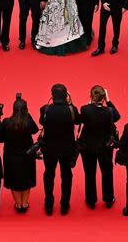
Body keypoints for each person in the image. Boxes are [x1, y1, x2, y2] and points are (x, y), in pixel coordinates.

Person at [39, 83, 80, 215]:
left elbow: (41, 122)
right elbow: (78, 121)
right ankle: (64, 204)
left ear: (52, 96)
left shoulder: (45, 109)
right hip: (67, 149)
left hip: (49, 149)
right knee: (66, 175)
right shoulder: (71, 110)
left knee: (49, 174)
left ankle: (49, 204)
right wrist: (71, 103)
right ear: (66, 96)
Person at [79, 85, 120, 210]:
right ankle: (108, 199)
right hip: (105, 148)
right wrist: (108, 101)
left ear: (91, 96)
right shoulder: (109, 111)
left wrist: (89, 103)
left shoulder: (85, 109)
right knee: (107, 173)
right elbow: (117, 117)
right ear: (103, 97)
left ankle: (91, 200)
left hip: (88, 148)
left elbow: (81, 119)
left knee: (90, 174)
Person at [0, 96, 39, 212]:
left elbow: (1, 138)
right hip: (27, 156)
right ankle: (24, 203)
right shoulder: (28, 122)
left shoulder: (6, 122)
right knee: (26, 179)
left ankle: (18, 204)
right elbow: (36, 129)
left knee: (14, 180)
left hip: (11, 156)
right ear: (26, 110)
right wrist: (28, 114)